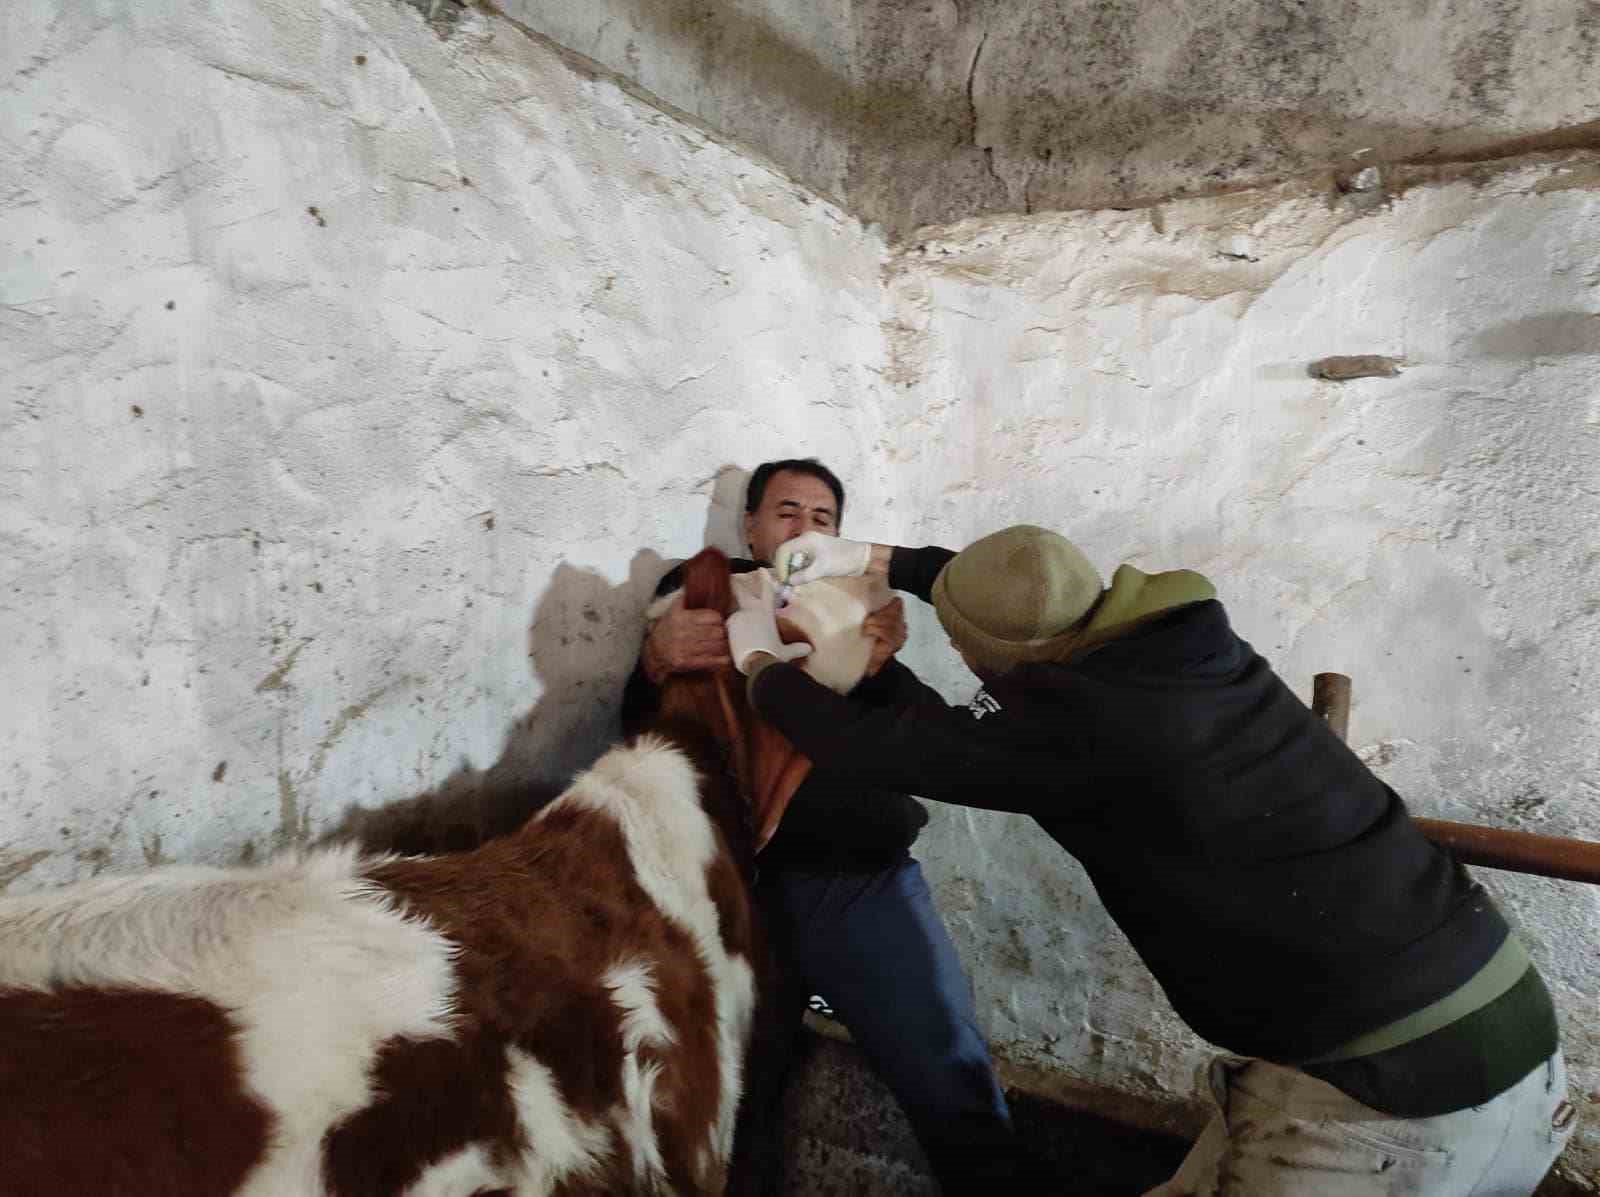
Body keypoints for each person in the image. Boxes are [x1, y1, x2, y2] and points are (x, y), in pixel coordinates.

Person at [724, 523, 1576, 1196]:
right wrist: (868, 555)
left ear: (1004, 661)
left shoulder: (1083, 729)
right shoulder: (1183, 644)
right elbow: (1011, 606)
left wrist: (760, 660)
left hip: (1391, 1099)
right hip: (1503, 1029)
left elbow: (886, 748)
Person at [621, 460, 1018, 1193]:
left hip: (860, 884)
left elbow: (924, 738)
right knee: (735, 1095)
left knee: (949, 1072)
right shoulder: (704, 595)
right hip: (736, 899)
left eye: (823, 518)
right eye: (786, 512)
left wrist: (879, 664)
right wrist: (653, 658)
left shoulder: (862, 607)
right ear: (751, 527)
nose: (804, 528)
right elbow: (649, 728)